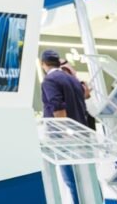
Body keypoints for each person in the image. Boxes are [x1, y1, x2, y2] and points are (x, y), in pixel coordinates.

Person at [40, 49, 93, 204]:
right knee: (86, 177)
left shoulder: (49, 80)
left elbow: (58, 108)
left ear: (43, 64)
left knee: (72, 179)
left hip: (65, 139)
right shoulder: (72, 79)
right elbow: (85, 96)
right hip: (82, 134)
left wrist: (64, 134)